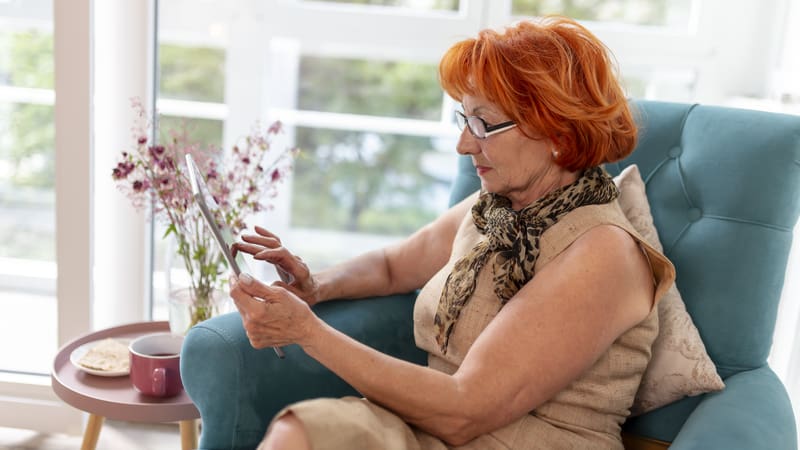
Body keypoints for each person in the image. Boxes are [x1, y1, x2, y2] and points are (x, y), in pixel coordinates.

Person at [230, 15, 675, 450]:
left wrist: (308, 332)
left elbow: (466, 409)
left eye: (483, 124)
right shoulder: (499, 207)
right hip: (428, 425)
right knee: (299, 433)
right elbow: (391, 267)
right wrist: (314, 286)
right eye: (463, 119)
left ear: (553, 129)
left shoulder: (603, 253)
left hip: (502, 434)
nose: (464, 143)